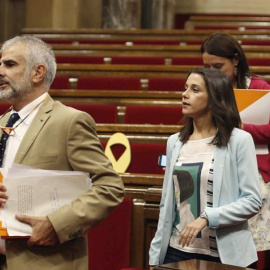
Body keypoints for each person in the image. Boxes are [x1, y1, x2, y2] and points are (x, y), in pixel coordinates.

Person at [0, 35, 124, 270]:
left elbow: (110, 187)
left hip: (42, 260)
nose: (1, 71)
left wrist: (58, 225)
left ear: (37, 73)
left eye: (10, 64)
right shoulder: (2, 122)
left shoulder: (69, 121)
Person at [149, 68, 262, 269]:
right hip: (177, 251)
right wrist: (155, 255)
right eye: (185, 88)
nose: (185, 94)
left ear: (215, 98)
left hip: (225, 255)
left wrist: (207, 218)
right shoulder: (175, 142)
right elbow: (167, 204)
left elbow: (252, 201)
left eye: (195, 89)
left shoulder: (239, 140)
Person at [201, 32, 270, 268]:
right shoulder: (207, 87)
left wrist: (240, 127)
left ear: (236, 60)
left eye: (218, 66)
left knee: (250, 243)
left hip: (257, 168)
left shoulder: (258, 86)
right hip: (216, 162)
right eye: (206, 66)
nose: (212, 72)